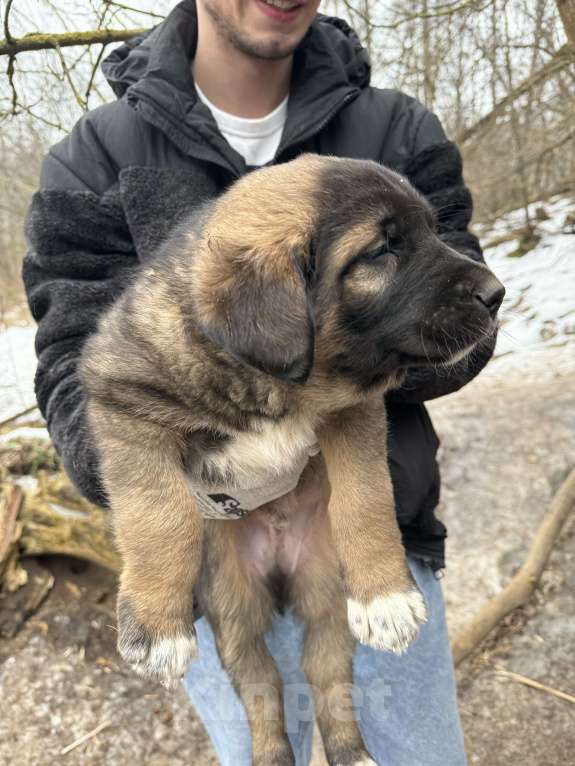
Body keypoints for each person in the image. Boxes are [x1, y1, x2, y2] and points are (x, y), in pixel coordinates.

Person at [23, 1, 494, 763]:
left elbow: (458, 317)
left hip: (378, 540)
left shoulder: (396, 129)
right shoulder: (95, 157)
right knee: (260, 744)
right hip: (208, 550)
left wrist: (321, 387)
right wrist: (194, 493)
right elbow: (78, 367)